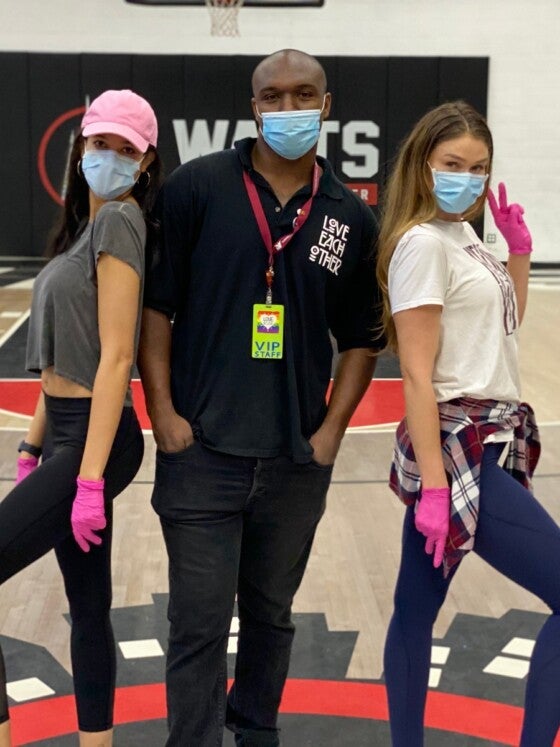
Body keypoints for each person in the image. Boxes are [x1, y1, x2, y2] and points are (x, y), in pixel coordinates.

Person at [138, 49, 384, 747]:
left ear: (326, 105)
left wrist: (331, 432)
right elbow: (157, 309)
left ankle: (255, 733)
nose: (287, 107)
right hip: (201, 453)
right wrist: (164, 415)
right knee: (198, 621)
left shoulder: (348, 217)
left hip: (295, 460)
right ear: (253, 108)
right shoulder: (196, 188)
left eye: (303, 94)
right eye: (272, 96)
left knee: (271, 616)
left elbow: (364, 337)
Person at [376, 100, 560, 746]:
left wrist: (519, 253)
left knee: (414, 610)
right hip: (460, 451)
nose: (468, 178)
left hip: (485, 439)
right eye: (453, 164)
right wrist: (434, 487)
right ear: (423, 165)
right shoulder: (423, 244)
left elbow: (502, 328)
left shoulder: (464, 236)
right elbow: (417, 374)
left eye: (479, 167)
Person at [0, 89, 161, 747]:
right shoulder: (79, 233)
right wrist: (31, 447)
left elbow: (117, 355)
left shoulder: (120, 221)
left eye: (126, 149)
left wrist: (88, 478)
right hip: (68, 432)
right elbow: (61, 357)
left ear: (145, 163)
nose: (110, 158)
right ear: (80, 148)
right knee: (88, 608)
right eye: (101, 144)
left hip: (98, 436)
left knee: (87, 606)